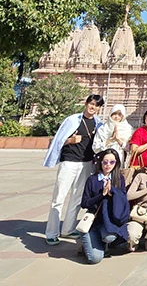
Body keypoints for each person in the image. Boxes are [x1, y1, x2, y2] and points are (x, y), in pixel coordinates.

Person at [43, 94, 105, 245]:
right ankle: (51, 232)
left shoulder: (98, 124)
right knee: (59, 198)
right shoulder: (73, 120)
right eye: (91, 104)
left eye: (96, 106)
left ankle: (68, 229)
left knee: (77, 198)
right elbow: (57, 141)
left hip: (86, 164)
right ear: (86, 103)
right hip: (69, 162)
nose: (93, 108)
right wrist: (70, 140)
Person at [80, 148, 129, 264]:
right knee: (94, 259)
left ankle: (103, 243)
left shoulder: (119, 179)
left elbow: (123, 200)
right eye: (105, 162)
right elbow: (84, 203)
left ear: (116, 163)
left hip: (109, 220)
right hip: (93, 220)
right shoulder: (92, 179)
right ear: (100, 162)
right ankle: (88, 242)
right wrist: (101, 195)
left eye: (112, 162)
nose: (108, 165)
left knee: (109, 237)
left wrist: (113, 192)